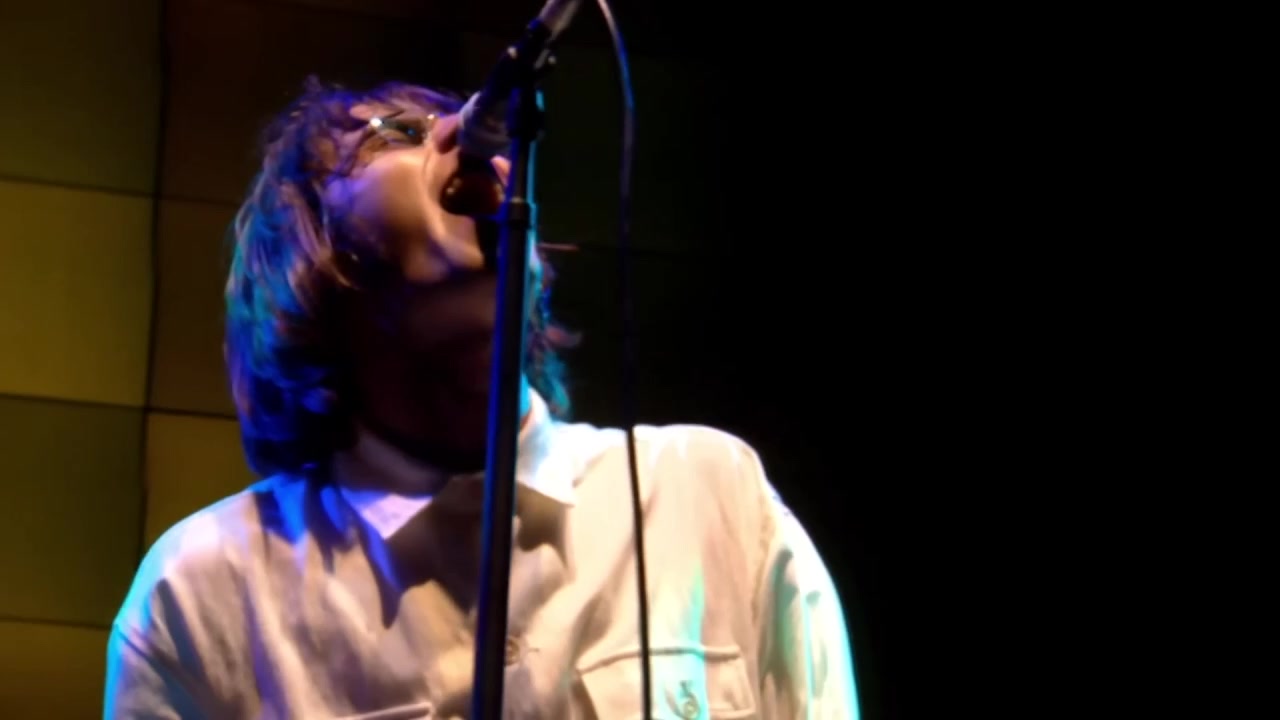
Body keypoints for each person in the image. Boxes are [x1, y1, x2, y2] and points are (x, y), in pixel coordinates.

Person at [104, 76, 859, 719]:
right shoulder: (205, 593)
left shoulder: (708, 491)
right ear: (310, 260)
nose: (465, 136)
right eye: (398, 133)